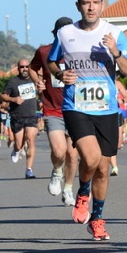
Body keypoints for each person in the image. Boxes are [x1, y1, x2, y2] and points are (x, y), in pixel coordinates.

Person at [47, 0, 127, 241]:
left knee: (103, 168)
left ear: (102, 5)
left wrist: (115, 52)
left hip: (106, 108)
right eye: (86, 2)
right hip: (76, 106)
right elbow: (51, 61)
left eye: (95, 2)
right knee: (91, 156)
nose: (91, 7)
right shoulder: (65, 33)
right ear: (78, 6)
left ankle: (96, 219)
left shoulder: (114, 33)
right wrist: (60, 74)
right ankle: (83, 192)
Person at [29, 17, 80, 207]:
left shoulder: (79, 52)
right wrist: (37, 82)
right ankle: (57, 171)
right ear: (56, 34)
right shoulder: (44, 51)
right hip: (53, 108)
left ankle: (68, 189)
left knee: (72, 154)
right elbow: (33, 68)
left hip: (76, 108)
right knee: (59, 151)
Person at [2, 59, 39, 178]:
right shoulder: (13, 82)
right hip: (17, 115)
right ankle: (17, 150)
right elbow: (3, 96)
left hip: (31, 115)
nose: (24, 69)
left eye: (27, 66)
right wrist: (13, 99)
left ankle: (29, 169)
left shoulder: (34, 79)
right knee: (18, 144)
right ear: (18, 68)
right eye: (22, 67)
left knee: (30, 139)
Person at [110, 78, 127, 176]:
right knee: (107, 143)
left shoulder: (117, 83)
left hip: (116, 113)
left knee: (117, 144)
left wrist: (121, 100)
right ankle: (114, 167)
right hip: (100, 115)